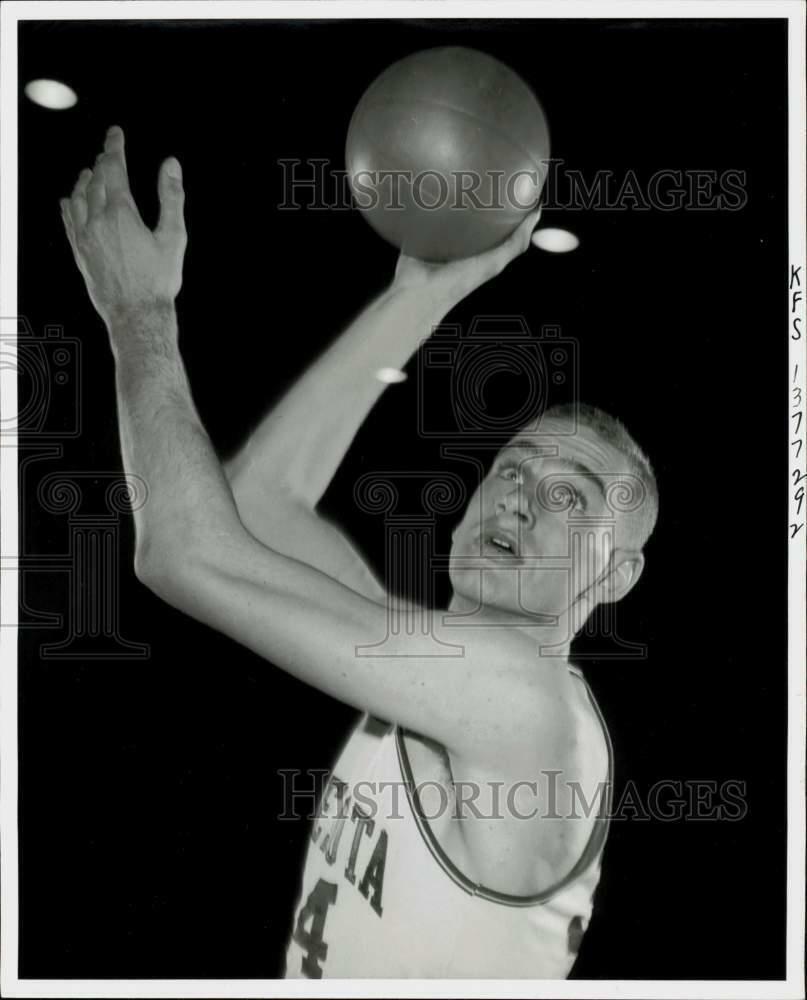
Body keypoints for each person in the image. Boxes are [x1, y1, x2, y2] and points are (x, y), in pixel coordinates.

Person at [60, 126, 658, 979]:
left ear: (618, 572)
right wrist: (416, 295)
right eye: (512, 470)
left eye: (570, 496)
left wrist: (139, 317)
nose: (522, 497)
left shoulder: (526, 705)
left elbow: (185, 553)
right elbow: (260, 504)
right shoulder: (426, 661)